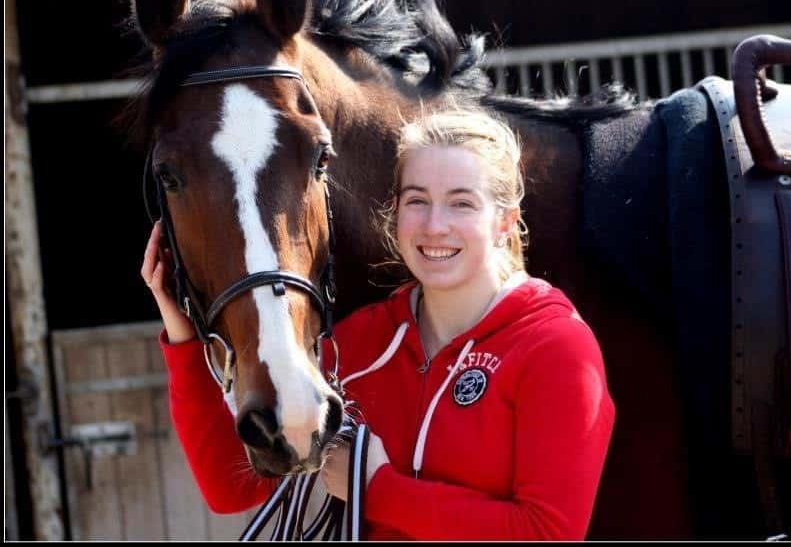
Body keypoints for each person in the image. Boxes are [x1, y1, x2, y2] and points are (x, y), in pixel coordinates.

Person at [144, 108, 615, 540]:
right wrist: (183, 334)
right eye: (417, 201)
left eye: (461, 204)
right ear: (395, 213)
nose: (434, 226)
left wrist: (375, 486)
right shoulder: (362, 343)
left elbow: (547, 533)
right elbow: (233, 488)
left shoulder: (555, 348)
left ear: (505, 222)